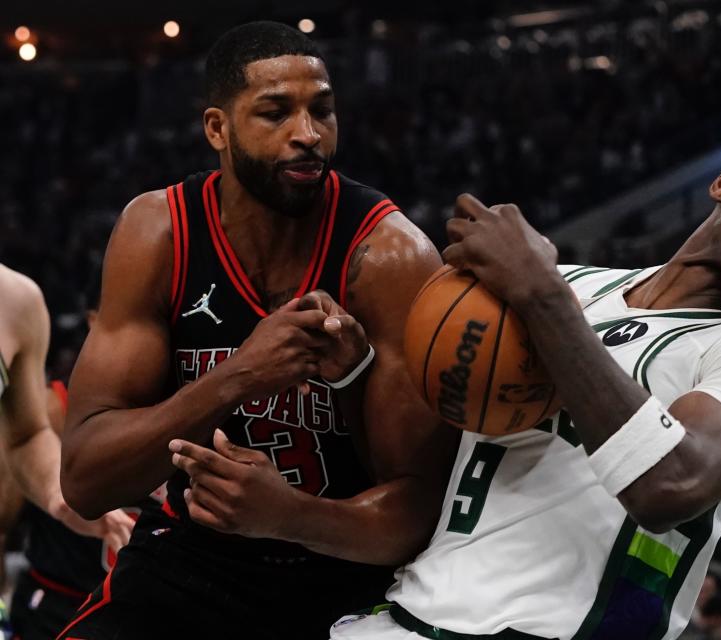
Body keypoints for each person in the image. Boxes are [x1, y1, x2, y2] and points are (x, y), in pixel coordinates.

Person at [319, 138, 721, 639]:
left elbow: (671, 486)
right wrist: (354, 375)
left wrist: (541, 294)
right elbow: (428, 462)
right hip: (410, 614)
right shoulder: (578, 285)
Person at [58, 21, 454, 639]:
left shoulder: (388, 256)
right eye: (275, 113)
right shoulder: (158, 233)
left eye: (322, 111)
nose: (308, 135)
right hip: (189, 560)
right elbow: (85, 481)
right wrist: (242, 374)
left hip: (343, 572)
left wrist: (291, 515)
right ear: (217, 127)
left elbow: (419, 510)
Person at [9, 284, 165, 640]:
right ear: (94, 320)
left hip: (149, 612)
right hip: (60, 606)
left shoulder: (193, 407)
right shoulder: (51, 411)